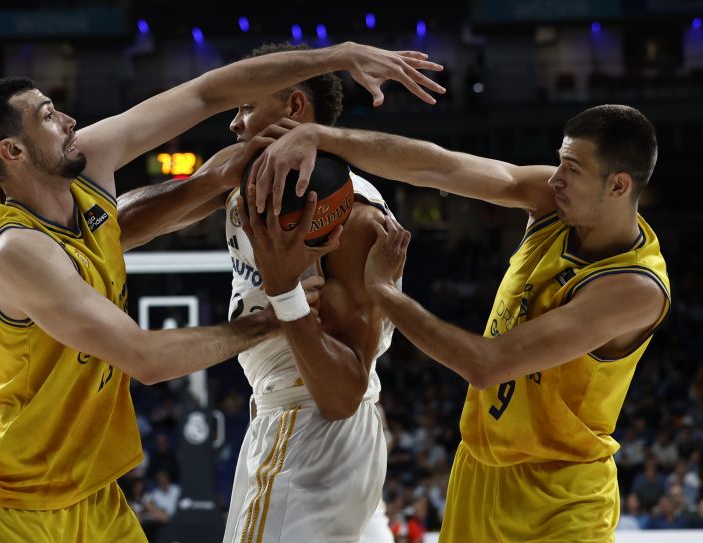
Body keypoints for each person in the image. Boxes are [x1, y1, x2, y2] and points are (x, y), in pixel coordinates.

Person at [0, 42, 445, 542]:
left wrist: (339, 55)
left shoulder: (89, 164)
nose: (71, 119)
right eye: (49, 116)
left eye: (249, 107)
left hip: (97, 486)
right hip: (10, 495)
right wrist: (276, 309)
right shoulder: (15, 251)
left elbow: (207, 92)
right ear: (14, 151)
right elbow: (145, 357)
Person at [248, 104, 670, 542]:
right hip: (477, 470)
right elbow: (438, 166)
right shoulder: (552, 204)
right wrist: (323, 137)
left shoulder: (634, 287)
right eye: (560, 161)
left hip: (558, 496)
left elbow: (486, 365)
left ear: (618, 185)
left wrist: (384, 293)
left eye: (573, 169)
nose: (555, 177)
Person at [118, 41, 442, 542]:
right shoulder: (243, 175)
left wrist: (284, 291)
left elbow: (342, 394)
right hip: (294, 420)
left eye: (246, 106)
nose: (234, 122)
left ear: (293, 108)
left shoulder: (351, 216)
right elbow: (110, 230)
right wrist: (209, 181)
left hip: (310, 426)